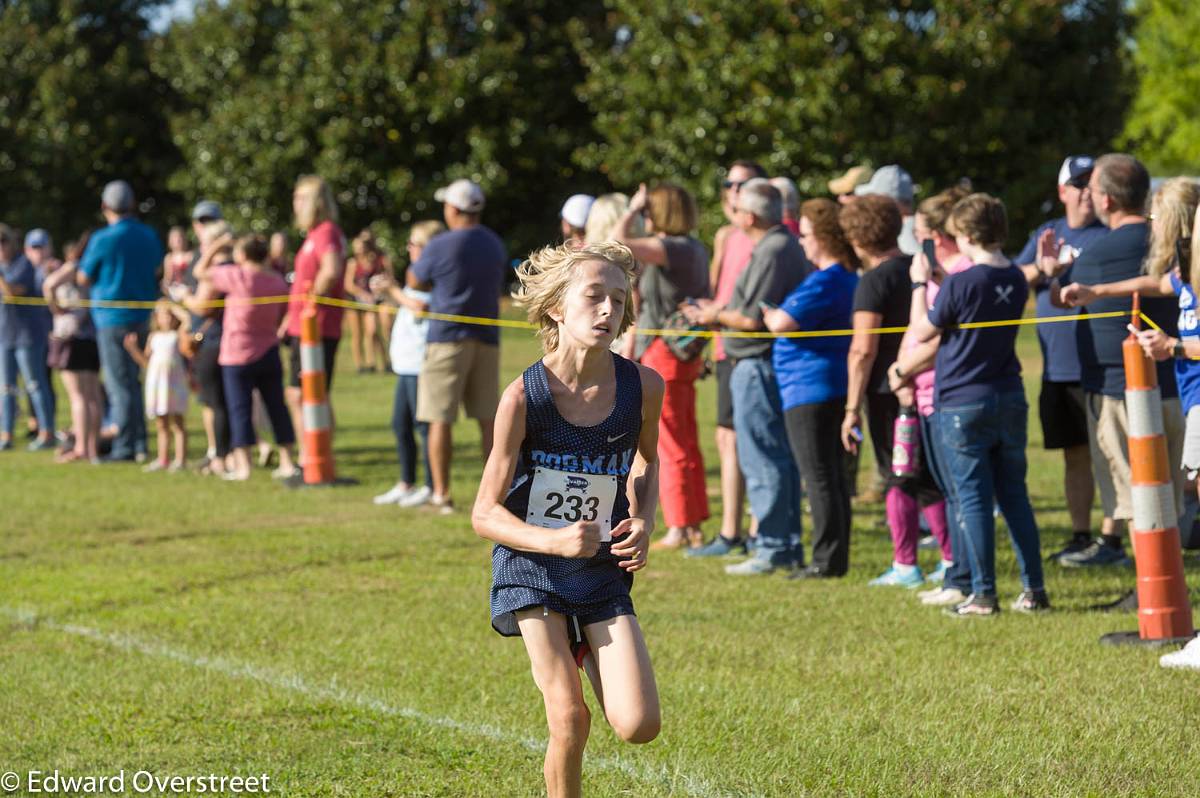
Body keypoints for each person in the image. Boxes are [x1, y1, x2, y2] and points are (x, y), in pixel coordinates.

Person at [471, 241, 662, 797]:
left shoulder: (643, 386)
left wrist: (644, 519)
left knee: (638, 725)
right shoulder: (523, 396)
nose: (608, 311)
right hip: (532, 564)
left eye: (619, 300)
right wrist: (551, 542)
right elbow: (484, 513)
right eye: (594, 297)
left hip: (600, 564)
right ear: (557, 306)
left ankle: (582, 643)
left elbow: (647, 462)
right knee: (570, 719)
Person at [909, 193, 1048, 616]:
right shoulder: (1016, 278)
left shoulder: (961, 282)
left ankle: (984, 594)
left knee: (972, 500)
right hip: (1008, 395)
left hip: (962, 402)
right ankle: (1033, 589)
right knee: (1014, 497)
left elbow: (922, 330)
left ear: (966, 235)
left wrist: (920, 284)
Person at [1048, 155, 1186, 575]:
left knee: (1136, 499)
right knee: (1171, 498)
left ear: (1105, 201)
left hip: (1119, 393)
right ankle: (1167, 579)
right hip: (1178, 390)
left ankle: (1152, 587)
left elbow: (1063, 297)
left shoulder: (1094, 255)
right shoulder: (1173, 247)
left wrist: (1057, 276)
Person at [683, 179, 810, 575]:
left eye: (737, 210)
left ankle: (772, 546)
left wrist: (711, 315)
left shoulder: (773, 249)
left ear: (750, 216)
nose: (733, 215)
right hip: (759, 365)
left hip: (756, 364)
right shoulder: (780, 245)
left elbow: (751, 318)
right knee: (774, 456)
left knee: (763, 457)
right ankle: (780, 543)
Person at [1013, 156, 1109, 561]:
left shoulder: (1110, 235)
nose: (1086, 190)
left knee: (1109, 455)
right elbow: (1013, 279)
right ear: (1062, 192)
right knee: (1074, 454)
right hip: (1058, 368)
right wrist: (1043, 267)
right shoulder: (1046, 233)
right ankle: (1080, 534)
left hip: (1102, 366)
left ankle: (1112, 539)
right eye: (1078, 183)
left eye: (1092, 183)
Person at [885, 187, 975, 606]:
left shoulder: (955, 277)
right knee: (944, 487)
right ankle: (958, 574)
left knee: (956, 492)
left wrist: (902, 369)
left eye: (920, 233)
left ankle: (964, 577)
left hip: (943, 392)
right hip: (923, 394)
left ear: (937, 236)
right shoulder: (944, 277)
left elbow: (931, 335)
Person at [762, 198, 859, 577]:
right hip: (825, 386)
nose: (801, 242)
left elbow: (782, 322)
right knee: (830, 476)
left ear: (821, 237)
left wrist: (770, 313)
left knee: (819, 476)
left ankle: (826, 561)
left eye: (804, 235)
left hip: (811, 388)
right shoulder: (843, 277)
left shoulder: (827, 279)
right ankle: (832, 557)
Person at [614, 182, 710, 550]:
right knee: (684, 438)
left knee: (668, 442)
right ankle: (693, 522)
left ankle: (681, 524)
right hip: (677, 352)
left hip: (665, 354)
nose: (646, 216)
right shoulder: (693, 248)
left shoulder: (674, 248)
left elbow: (618, 241)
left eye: (651, 210)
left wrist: (632, 208)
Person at [411, 178, 507, 513]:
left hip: (447, 339)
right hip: (487, 339)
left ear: (453, 209)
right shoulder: (494, 243)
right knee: (488, 421)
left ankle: (442, 494)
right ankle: (495, 496)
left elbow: (415, 279)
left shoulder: (441, 244)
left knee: (439, 419)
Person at [691, 159, 767, 557]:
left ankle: (758, 529)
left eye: (743, 184)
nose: (734, 190)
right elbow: (716, 289)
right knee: (726, 437)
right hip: (724, 345)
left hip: (752, 347)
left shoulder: (768, 236)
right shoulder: (725, 236)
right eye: (730, 184)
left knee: (753, 438)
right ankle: (730, 530)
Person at [191, 233, 298, 482]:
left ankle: (244, 466)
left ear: (242, 254)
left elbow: (199, 272)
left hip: (237, 354)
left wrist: (216, 244)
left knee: (239, 409)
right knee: (276, 408)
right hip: (269, 351)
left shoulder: (237, 276)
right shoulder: (276, 281)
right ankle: (287, 460)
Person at [77, 180, 163, 462]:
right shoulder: (148, 235)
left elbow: (84, 277)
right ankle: (139, 443)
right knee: (135, 381)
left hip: (112, 318)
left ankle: (126, 446)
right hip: (142, 316)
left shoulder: (102, 239)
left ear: (105, 207)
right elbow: (157, 269)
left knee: (119, 384)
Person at [839, 196, 914, 514]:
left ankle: (908, 547)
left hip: (885, 389)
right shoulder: (918, 267)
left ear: (857, 237)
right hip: (920, 381)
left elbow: (862, 349)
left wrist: (852, 408)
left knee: (896, 469)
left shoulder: (873, 281)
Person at [372, 220, 443, 507]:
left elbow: (420, 308)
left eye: (413, 244)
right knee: (400, 425)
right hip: (405, 365)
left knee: (423, 427)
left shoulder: (433, 277)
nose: (409, 248)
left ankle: (430, 485)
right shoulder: (415, 277)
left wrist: (393, 291)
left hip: (420, 364)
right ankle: (406, 482)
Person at [282, 175, 347, 463]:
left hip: (317, 327)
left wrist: (311, 300)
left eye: (301, 198)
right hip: (302, 327)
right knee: (301, 394)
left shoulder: (326, 232)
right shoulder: (313, 235)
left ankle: (313, 457)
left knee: (307, 394)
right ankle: (312, 454)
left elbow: (331, 269)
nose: (295, 204)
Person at [180, 219, 233, 476]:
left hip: (211, 341)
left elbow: (202, 306)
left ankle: (221, 457)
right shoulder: (236, 266)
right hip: (225, 340)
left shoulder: (217, 270)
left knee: (214, 402)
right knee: (225, 401)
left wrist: (183, 298)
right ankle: (226, 455)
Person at [43, 235, 103, 463]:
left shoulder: (76, 266)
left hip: (72, 337)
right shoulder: (95, 269)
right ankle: (93, 450)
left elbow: (49, 285)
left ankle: (81, 449)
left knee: (79, 398)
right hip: (92, 335)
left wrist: (56, 309)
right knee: (93, 397)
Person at [0, 224, 56, 452]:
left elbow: (12, 292)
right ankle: (6, 434)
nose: (1, 248)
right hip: (5, 336)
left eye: (4, 242)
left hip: (28, 336)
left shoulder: (23, 264)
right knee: (7, 388)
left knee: (35, 385)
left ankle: (47, 432)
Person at [125, 300, 190, 473]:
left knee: (177, 423)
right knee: (161, 424)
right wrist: (132, 349)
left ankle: (180, 460)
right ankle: (163, 459)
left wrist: (173, 305)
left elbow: (187, 319)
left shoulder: (178, 335)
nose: (166, 318)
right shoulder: (154, 337)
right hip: (158, 385)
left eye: (169, 314)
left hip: (174, 384)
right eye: (162, 314)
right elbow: (146, 362)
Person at [343, 229, 390, 373]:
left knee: (372, 331)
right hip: (355, 301)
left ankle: (382, 362)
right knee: (357, 334)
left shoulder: (376, 260)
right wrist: (363, 294)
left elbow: (385, 277)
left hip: (371, 301)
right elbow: (348, 285)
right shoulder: (353, 263)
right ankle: (361, 366)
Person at [856, 165, 919, 255]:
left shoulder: (906, 233)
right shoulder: (918, 226)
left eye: (875, 198)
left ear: (887, 199)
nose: (872, 204)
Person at [162, 226, 194, 299]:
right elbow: (167, 278)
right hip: (174, 291)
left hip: (189, 291)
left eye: (180, 237)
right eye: (175, 237)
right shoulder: (168, 258)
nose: (179, 240)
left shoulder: (191, 255)